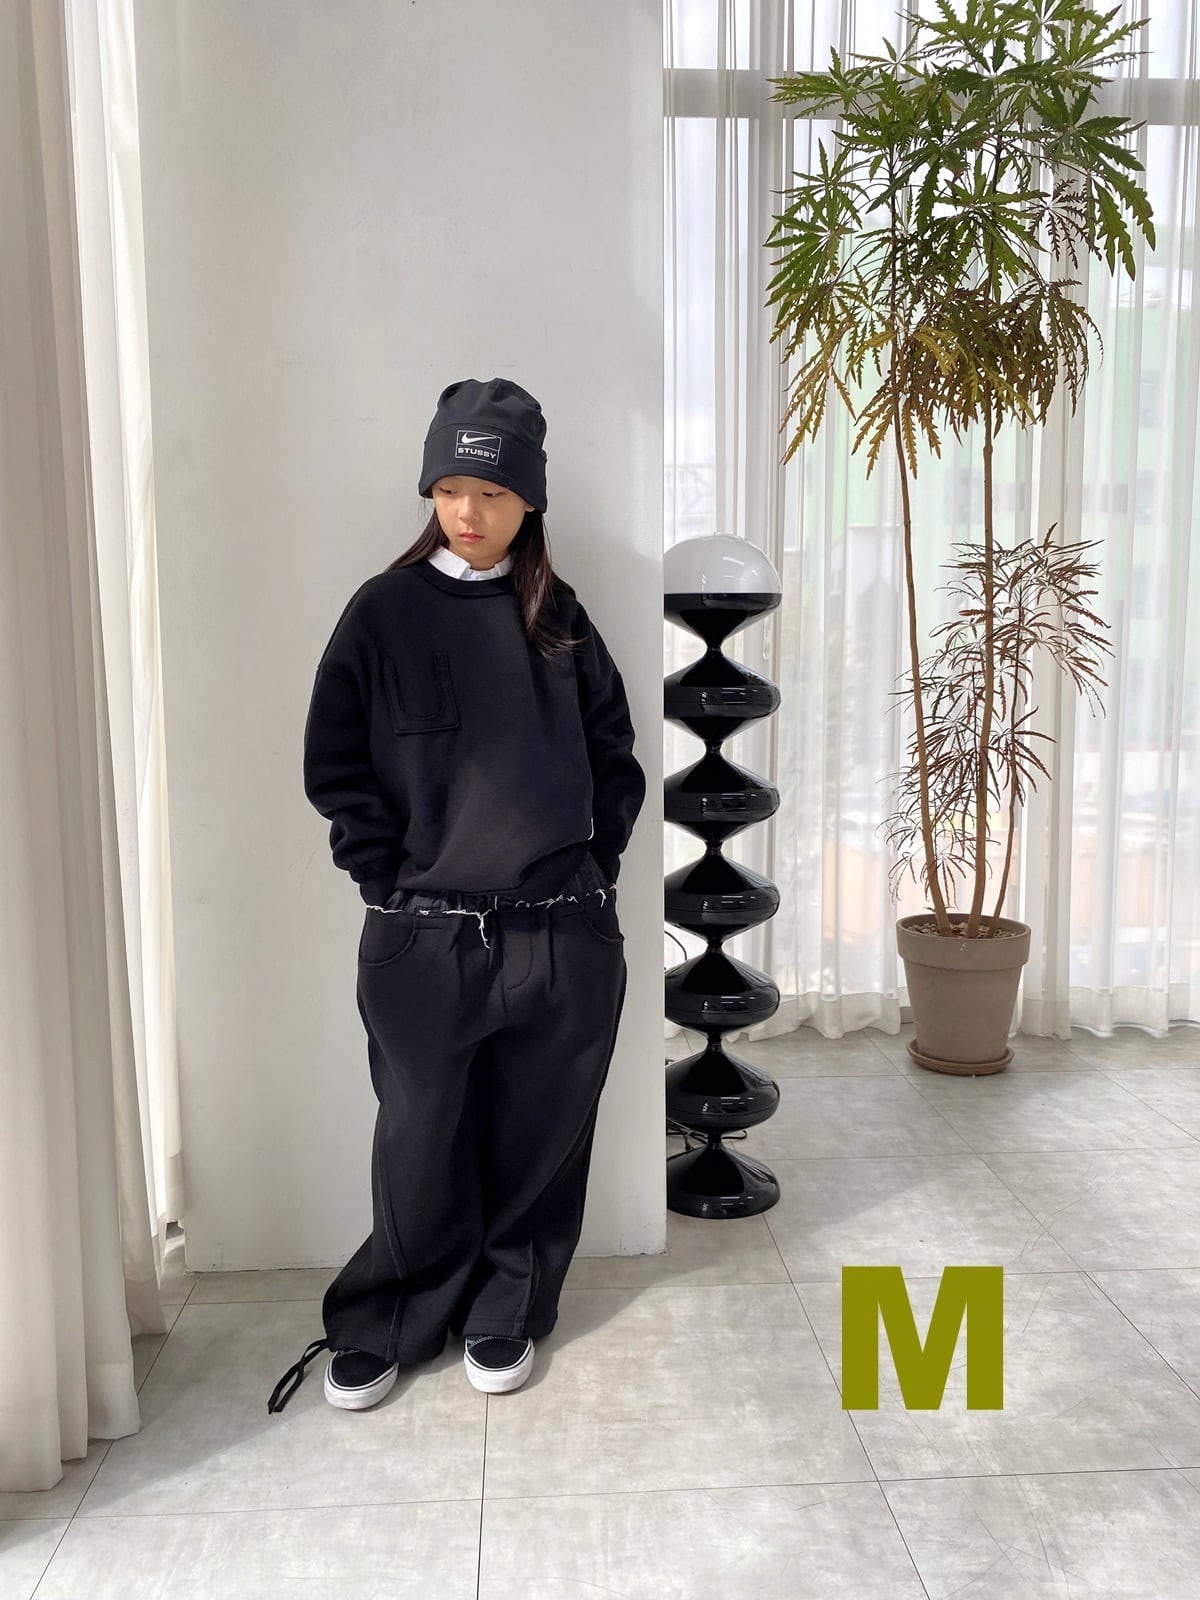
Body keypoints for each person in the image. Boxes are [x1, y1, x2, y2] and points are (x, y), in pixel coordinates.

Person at [267, 377, 646, 1414]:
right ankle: (388, 1317)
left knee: (540, 1139)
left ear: (530, 501)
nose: (467, 512)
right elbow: (334, 762)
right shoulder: (383, 612)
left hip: (559, 934)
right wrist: (384, 878)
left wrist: (596, 868)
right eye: (447, 489)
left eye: (490, 491)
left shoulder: (557, 618)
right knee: (419, 1140)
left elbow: (615, 755)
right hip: (423, 940)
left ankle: (505, 1307)